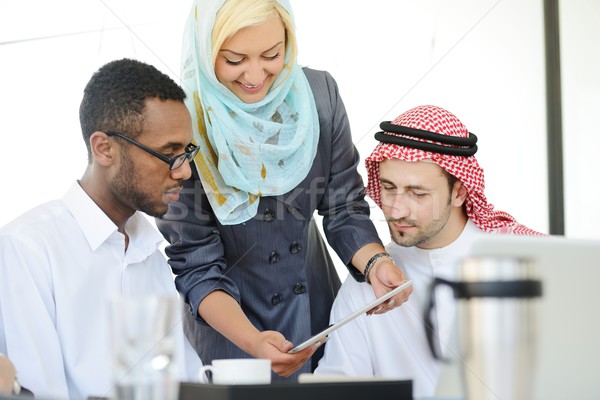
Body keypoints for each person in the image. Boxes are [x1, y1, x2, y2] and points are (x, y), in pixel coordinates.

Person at [156, 0, 412, 380]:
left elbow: (343, 206)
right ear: (204, 50)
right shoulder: (181, 124)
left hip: (317, 316)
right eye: (234, 59)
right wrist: (252, 341)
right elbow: (196, 264)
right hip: (230, 334)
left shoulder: (319, 97)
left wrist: (375, 263)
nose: (256, 75)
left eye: (272, 55)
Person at [0, 58, 202, 399]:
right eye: (169, 154)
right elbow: (37, 392)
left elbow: (177, 384)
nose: (184, 172)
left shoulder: (148, 252)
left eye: (187, 152)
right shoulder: (28, 249)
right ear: (104, 149)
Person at [314, 105, 544, 397]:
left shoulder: (526, 262)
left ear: (459, 192)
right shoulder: (367, 284)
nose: (396, 209)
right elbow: (336, 386)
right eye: (388, 187)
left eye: (418, 193)